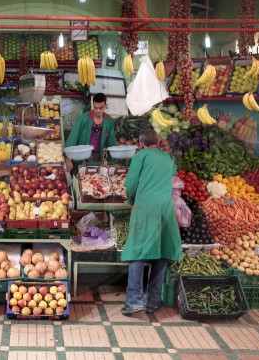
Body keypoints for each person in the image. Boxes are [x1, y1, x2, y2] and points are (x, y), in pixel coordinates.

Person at [120, 129, 182, 315]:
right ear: (157, 141)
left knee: (137, 251)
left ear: (141, 144)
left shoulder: (141, 156)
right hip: (165, 208)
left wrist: (132, 201)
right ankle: (153, 301)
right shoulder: (168, 158)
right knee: (162, 253)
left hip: (146, 207)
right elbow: (173, 172)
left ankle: (134, 301)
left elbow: (130, 184)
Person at [64, 93, 116, 172]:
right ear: (92, 104)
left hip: (98, 155)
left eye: (101, 108)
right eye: (95, 108)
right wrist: (67, 158)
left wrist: (113, 161)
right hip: (82, 155)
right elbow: (73, 137)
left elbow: (111, 142)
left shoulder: (108, 121)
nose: (98, 111)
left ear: (106, 105)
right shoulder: (83, 119)